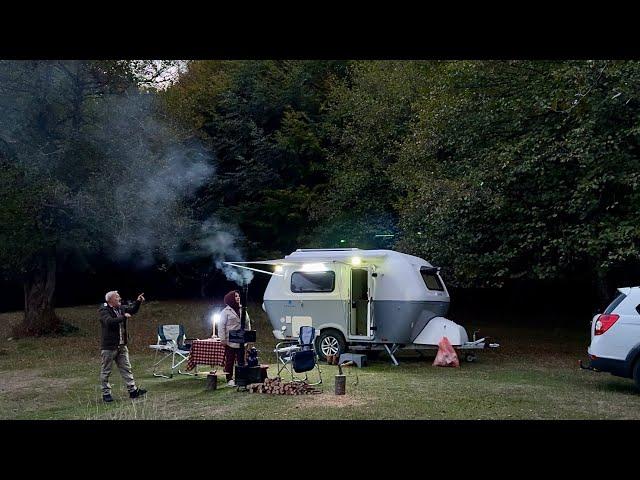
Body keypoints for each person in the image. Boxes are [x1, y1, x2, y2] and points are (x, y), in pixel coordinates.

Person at [99, 290, 147, 403]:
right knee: (106, 371)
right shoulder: (104, 310)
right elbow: (109, 322)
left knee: (126, 369)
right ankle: (106, 394)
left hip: (121, 345)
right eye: (117, 297)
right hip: (109, 347)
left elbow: (132, 310)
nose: (120, 298)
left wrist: (138, 302)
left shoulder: (121, 308)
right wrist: (123, 317)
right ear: (110, 300)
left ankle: (133, 391)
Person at [218, 289, 251, 387]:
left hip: (241, 340)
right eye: (236, 296)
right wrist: (222, 339)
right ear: (231, 298)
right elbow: (221, 326)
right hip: (230, 340)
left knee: (241, 360)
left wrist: (248, 336)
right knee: (230, 360)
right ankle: (229, 379)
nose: (238, 298)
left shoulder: (243, 309)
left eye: (239, 296)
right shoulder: (225, 312)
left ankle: (241, 378)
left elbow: (247, 323)